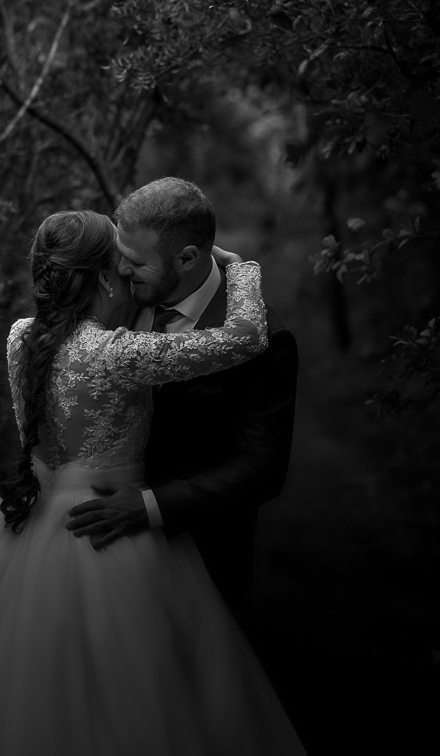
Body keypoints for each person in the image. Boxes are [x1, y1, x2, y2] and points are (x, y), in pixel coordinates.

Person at [0, 209, 304, 755]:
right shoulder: (115, 354)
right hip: (108, 526)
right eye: (122, 263)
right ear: (106, 277)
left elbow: (33, 433)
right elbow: (246, 335)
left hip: (33, 511)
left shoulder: (22, 339)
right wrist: (242, 267)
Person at [65, 178, 299, 617]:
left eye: (135, 261)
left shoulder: (266, 338)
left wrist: (151, 507)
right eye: (121, 255)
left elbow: (261, 468)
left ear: (187, 258)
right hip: (103, 546)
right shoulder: (121, 295)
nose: (121, 269)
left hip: (202, 546)